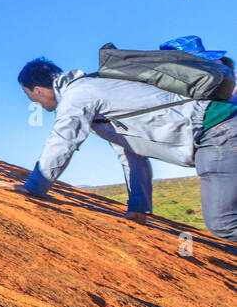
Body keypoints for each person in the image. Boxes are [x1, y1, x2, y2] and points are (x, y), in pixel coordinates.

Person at [13, 57, 237, 240]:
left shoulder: (77, 95)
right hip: (222, 129)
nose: (35, 104)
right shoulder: (98, 86)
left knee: (223, 223)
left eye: (29, 96)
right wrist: (138, 206)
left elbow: (63, 140)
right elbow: (131, 153)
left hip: (218, 132)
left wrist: (33, 187)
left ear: (37, 90)